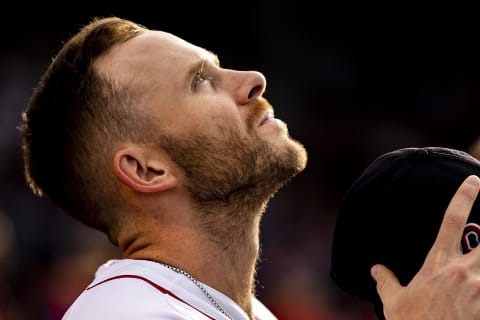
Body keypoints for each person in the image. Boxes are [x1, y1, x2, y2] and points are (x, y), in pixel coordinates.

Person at [19, 16, 480, 320]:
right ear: (146, 169)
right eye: (200, 81)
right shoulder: (125, 314)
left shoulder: (241, 310)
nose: (252, 79)